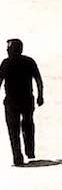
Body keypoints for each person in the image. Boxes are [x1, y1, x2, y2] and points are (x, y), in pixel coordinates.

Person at [0, 39, 44, 167]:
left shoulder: (7, 63)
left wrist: (40, 95)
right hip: (21, 100)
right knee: (25, 126)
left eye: (10, 49)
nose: (8, 51)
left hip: (16, 101)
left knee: (19, 128)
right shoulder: (27, 61)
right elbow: (38, 79)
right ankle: (24, 153)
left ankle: (22, 154)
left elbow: (38, 79)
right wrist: (40, 95)